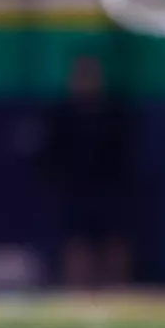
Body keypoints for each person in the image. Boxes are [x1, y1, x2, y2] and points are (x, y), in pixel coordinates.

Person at [43, 52, 131, 289]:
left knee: (114, 242)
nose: (87, 81)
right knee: (77, 244)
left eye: (92, 75)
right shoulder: (64, 115)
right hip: (75, 190)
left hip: (109, 189)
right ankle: (78, 292)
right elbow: (53, 155)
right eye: (82, 75)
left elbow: (125, 154)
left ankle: (116, 291)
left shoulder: (112, 113)